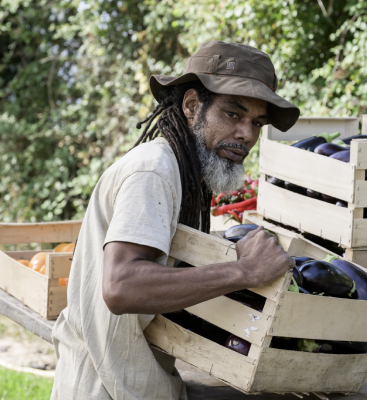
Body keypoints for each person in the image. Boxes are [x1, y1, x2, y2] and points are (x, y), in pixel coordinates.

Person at [51, 40, 300, 400]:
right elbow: (121, 286)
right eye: (233, 114)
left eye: (256, 123)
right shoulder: (154, 170)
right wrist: (243, 272)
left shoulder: (187, 175)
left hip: (144, 382)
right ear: (192, 106)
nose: (246, 134)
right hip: (104, 389)